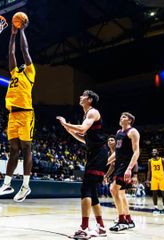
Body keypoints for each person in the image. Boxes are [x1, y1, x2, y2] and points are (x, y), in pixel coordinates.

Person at [0, 21, 35, 202]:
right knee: (13, 150)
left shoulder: (30, 72)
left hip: (26, 114)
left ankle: (26, 185)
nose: (23, 64)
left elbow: (24, 51)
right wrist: (12, 34)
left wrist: (22, 31)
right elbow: (11, 53)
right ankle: (7, 183)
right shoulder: (14, 74)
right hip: (13, 115)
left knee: (26, 148)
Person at [57, 90, 107, 239]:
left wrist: (67, 124)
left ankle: (84, 227)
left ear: (90, 99)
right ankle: (101, 227)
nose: (80, 97)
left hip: (99, 153)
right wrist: (66, 127)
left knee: (86, 188)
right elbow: (83, 138)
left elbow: (83, 129)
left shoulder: (93, 112)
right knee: (92, 192)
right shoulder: (87, 115)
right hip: (94, 152)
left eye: (83, 95)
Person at [107, 113, 139, 232]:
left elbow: (136, 152)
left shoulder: (133, 132)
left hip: (126, 165)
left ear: (130, 120)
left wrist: (130, 169)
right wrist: (105, 162)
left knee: (113, 189)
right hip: (119, 165)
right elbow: (117, 153)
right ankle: (129, 220)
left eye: (124, 117)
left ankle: (122, 221)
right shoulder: (118, 133)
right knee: (121, 194)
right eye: (120, 116)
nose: (121, 118)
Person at [146, 149, 164, 215]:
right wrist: (148, 180)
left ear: (158, 153)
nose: (153, 152)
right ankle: (155, 208)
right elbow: (149, 171)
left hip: (162, 178)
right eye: (152, 151)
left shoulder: (162, 160)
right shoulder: (150, 161)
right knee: (154, 193)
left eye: (155, 151)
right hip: (154, 178)